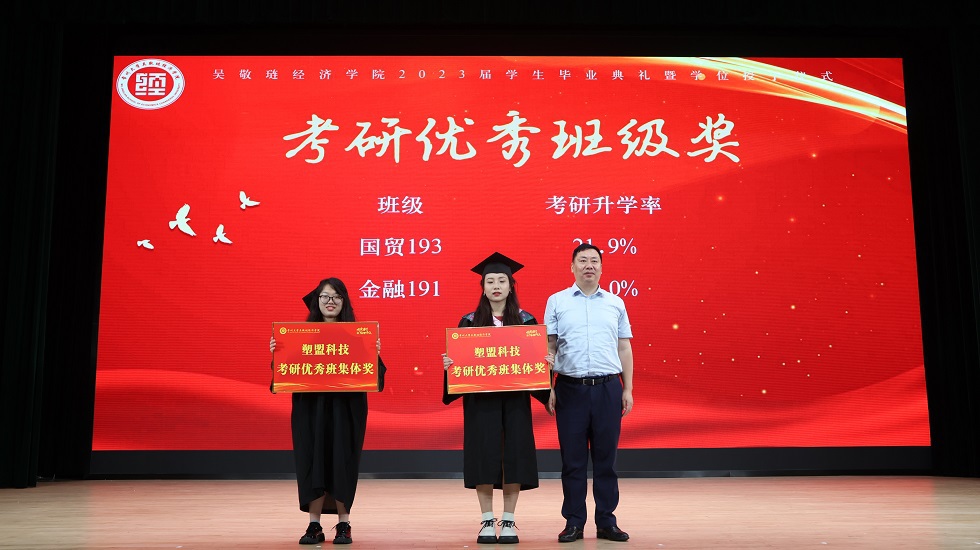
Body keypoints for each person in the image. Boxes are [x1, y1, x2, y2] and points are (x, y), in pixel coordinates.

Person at [442, 252, 550, 545]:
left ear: (511, 285)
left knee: (514, 456)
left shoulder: (526, 321)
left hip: (515, 401)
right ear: (483, 287)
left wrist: (545, 364)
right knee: (484, 456)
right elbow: (461, 365)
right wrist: (451, 365)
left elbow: (535, 364)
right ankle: (487, 520)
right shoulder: (469, 322)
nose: (496, 286)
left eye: (502, 280)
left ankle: (510, 520)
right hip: (481, 402)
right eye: (490, 281)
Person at [270, 277, 386, 545]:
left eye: (336, 296)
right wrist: (278, 353)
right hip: (311, 410)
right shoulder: (300, 337)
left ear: (344, 302)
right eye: (324, 296)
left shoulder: (358, 336)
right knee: (313, 461)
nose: (330, 301)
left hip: (346, 410)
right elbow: (284, 376)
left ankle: (344, 524)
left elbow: (375, 378)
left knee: (342, 462)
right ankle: (314, 525)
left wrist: (373, 352)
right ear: (317, 301)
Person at [544, 243, 634, 543]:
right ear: (572, 267)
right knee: (573, 461)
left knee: (606, 460)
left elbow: (624, 347)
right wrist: (549, 386)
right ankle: (574, 522)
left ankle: (607, 522)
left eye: (594, 261)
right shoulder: (557, 301)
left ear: (602, 267)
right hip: (570, 389)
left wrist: (628, 388)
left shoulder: (615, 303)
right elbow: (549, 347)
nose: (589, 266)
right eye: (582, 261)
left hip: (608, 388)